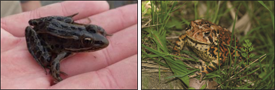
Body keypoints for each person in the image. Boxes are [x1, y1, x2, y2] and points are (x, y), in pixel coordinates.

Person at [1, 1, 137, 89]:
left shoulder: (88, 31)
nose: (97, 38)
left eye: (92, 30)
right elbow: (55, 63)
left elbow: (94, 27)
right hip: (45, 36)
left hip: (50, 25)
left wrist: (100, 31)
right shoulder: (65, 50)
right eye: (88, 43)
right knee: (48, 60)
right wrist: (57, 78)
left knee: (68, 20)